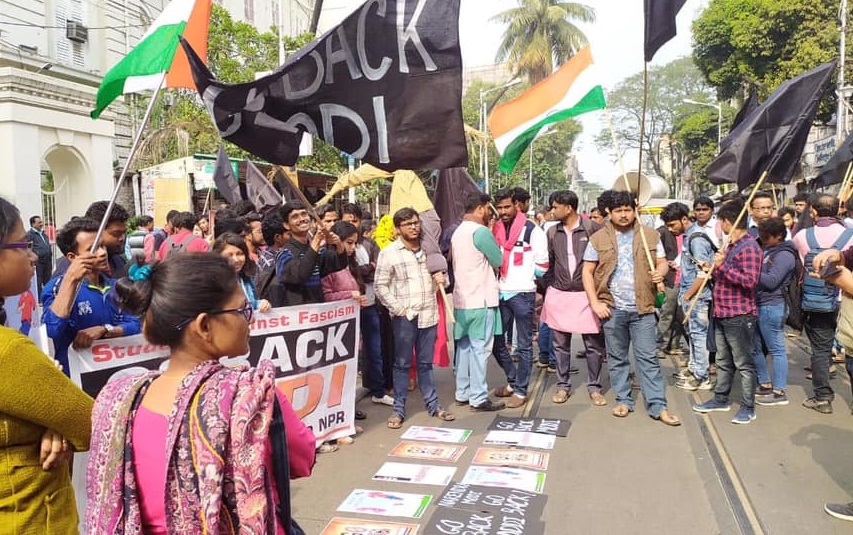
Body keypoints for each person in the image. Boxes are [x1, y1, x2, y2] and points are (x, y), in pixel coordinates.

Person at [86, 253, 316, 532]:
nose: (250, 319)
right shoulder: (251, 398)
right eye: (242, 311)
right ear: (205, 326)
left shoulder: (120, 399)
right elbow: (302, 459)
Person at [0, 196, 93, 532]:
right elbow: (93, 422)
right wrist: (60, 417)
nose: (33, 254)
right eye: (22, 243)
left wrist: (54, 418)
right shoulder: (8, 352)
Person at [582, 191, 680, 426]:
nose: (624, 215)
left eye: (628, 210)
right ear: (610, 212)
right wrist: (595, 302)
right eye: (619, 211)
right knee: (617, 358)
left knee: (648, 358)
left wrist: (661, 272)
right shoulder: (598, 238)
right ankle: (623, 399)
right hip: (612, 308)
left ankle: (658, 406)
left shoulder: (650, 235)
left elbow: (663, 262)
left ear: (634, 209)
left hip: (643, 308)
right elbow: (587, 271)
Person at [374, 208, 456, 429]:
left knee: (425, 364)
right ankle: (398, 410)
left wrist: (442, 279)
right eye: (407, 224)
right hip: (404, 318)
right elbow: (380, 286)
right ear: (398, 229)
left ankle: (433, 405)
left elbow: (443, 282)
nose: (413, 227)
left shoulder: (430, 251)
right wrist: (398, 309)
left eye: (415, 223)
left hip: (428, 315)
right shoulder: (389, 253)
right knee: (401, 364)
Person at [42, 217, 142, 376]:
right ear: (72, 257)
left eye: (102, 245)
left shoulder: (116, 286)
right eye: (92, 249)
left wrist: (106, 330)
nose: (102, 253)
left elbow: (136, 324)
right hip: (75, 380)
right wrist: (71, 280)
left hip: (115, 374)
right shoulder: (56, 288)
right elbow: (51, 332)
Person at [693, 200, 762, 424]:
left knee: (743, 362)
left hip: (740, 313)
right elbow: (726, 275)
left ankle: (748, 406)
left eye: (720, 221)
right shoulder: (730, 246)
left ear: (727, 222)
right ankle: (720, 398)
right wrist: (712, 270)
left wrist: (722, 266)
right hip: (722, 311)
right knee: (723, 359)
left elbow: (750, 281)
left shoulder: (749, 246)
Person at [543, 190, 607, 406]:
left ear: (568, 208)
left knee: (593, 344)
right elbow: (549, 262)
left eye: (555, 207)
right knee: (560, 345)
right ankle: (563, 386)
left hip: (587, 295)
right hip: (560, 294)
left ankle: (595, 387)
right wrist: (551, 285)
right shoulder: (552, 232)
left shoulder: (592, 228)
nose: (552, 211)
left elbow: (604, 261)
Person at [792, 194, 853, 414]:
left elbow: (800, 269)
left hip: (817, 300)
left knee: (820, 350)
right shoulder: (850, 234)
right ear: (839, 210)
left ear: (813, 212)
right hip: (847, 298)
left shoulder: (801, 236)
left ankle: (823, 398)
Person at [491, 188, 549, 410]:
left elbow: (542, 266)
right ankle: (513, 381)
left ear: (517, 205)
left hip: (523, 294)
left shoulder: (532, 231)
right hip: (500, 291)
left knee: (524, 346)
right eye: (501, 207)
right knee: (496, 341)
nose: (504, 211)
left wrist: (523, 275)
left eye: (508, 206)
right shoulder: (496, 229)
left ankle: (521, 390)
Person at [450, 193, 505, 412]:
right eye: (488, 209)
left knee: (463, 349)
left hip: (462, 299)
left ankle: (462, 392)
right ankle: (479, 396)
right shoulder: (480, 232)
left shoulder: (457, 231)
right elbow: (497, 260)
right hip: (481, 299)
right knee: (480, 350)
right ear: (481, 208)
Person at [321, 220, 372, 439]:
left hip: (351, 324)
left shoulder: (350, 264)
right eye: (349, 243)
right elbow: (325, 295)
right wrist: (347, 296)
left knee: (349, 374)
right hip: (335, 329)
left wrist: (356, 298)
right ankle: (335, 425)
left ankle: (346, 420)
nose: (352, 248)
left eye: (354, 243)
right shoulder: (328, 263)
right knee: (334, 378)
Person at [341, 204, 392, 407]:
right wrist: (367, 268)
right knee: (349, 353)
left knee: (374, 348)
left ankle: (378, 389)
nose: (351, 224)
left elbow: (378, 270)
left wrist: (367, 269)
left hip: (370, 303)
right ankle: (346, 399)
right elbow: (352, 272)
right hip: (345, 308)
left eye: (354, 220)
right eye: (346, 219)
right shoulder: (336, 248)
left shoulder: (370, 245)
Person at [668, 203, 716, 391]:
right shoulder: (689, 236)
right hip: (689, 293)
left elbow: (704, 272)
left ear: (684, 219)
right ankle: (694, 367)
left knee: (698, 335)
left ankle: (701, 376)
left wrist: (688, 294)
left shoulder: (696, 239)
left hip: (698, 296)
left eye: (673, 225)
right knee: (692, 333)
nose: (671, 229)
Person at [753, 217, 796, 406]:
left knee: (777, 349)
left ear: (779, 236)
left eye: (766, 237)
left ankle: (779, 391)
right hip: (760, 303)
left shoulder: (785, 254)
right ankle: (764, 383)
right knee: (755, 347)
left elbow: (772, 280)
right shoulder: (769, 249)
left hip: (773, 305)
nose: (762, 239)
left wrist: (750, 270)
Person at [275, 203, 347, 305]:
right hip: (298, 314)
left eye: (304, 214)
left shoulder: (317, 250)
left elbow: (339, 263)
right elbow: (300, 275)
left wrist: (338, 243)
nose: (302, 219)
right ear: (286, 225)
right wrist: (316, 241)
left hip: (318, 314)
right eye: (295, 217)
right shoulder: (284, 254)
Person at [54, 201, 130, 278]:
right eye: (116, 234)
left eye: (124, 232)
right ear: (95, 230)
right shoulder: (67, 273)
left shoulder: (118, 260)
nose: (122, 238)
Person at [213, 232, 272, 313]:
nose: (236, 260)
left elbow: (252, 304)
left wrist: (261, 304)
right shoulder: (214, 284)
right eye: (229, 255)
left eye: (240, 254)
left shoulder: (246, 279)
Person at [27, 214, 52, 296]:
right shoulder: (29, 235)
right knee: (39, 280)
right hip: (38, 262)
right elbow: (28, 248)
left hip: (47, 260)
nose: (41, 224)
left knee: (48, 279)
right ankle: (40, 298)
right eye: (39, 222)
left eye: (41, 222)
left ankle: (48, 296)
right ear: (33, 224)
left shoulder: (43, 233)